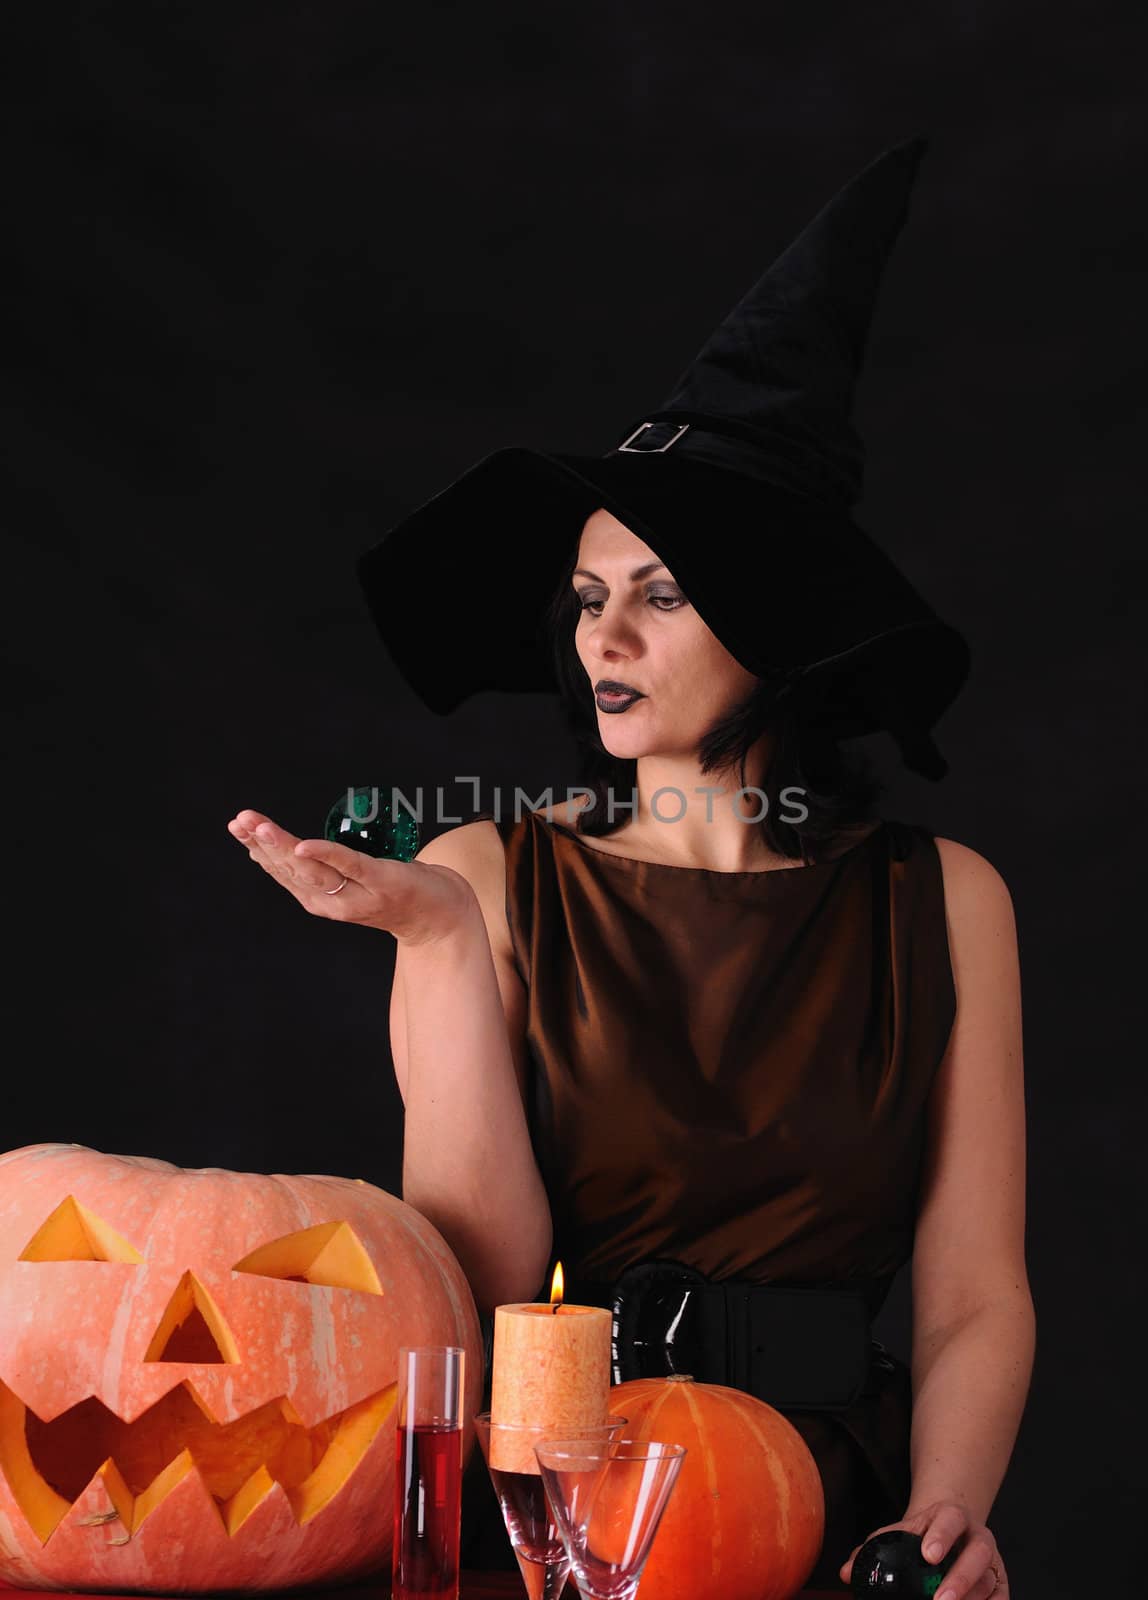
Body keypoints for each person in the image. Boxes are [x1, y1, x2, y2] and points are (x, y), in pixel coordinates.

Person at [227, 138, 1033, 1596]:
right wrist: (440, 946)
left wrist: (944, 1517)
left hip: (844, 1513)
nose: (603, 639)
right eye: (590, 598)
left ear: (783, 625)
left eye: (662, 597)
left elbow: (977, 1292)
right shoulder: (478, 871)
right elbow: (472, 1286)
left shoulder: (946, 898)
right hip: (566, 1498)